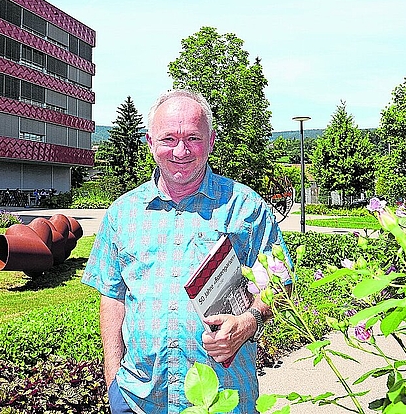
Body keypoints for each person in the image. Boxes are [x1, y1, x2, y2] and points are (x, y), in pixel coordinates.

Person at [81, 89, 293, 414]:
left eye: (193, 137)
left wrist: (250, 321)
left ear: (211, 140)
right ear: (150, 142)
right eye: (169, 139)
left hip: (223, 398)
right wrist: (113, 381)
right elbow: (112, 296)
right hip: (138, 399)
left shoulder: (246, 207)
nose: (181, 150)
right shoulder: (122, 214)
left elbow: (279, 283)